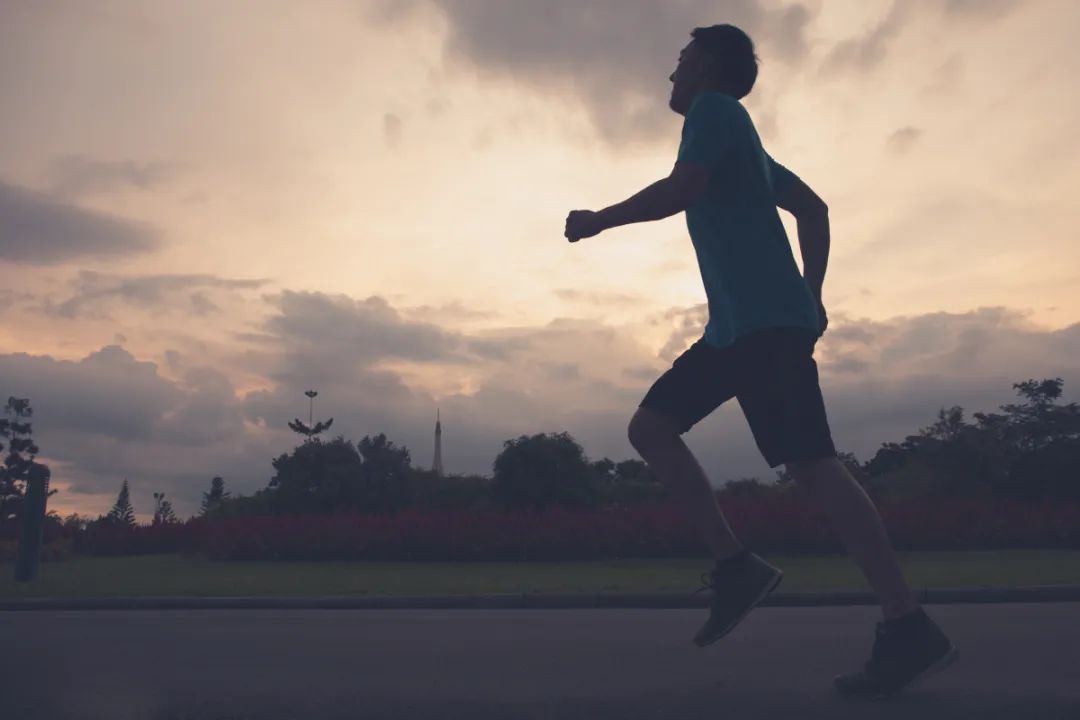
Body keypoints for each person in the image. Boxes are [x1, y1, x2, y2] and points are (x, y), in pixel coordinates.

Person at [563, 23, 957, 699]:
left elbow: (682, 189)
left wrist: (601, 218)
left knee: (812, 466)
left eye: (680, 58)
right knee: (651, 428)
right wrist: (815, 294)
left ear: (710, 65)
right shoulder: (742, 140)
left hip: (765, 328)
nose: (671, 73)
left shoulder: (717, 114)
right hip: (735, 332)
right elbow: (815, 209)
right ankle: (737, 565)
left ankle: (907, 623)